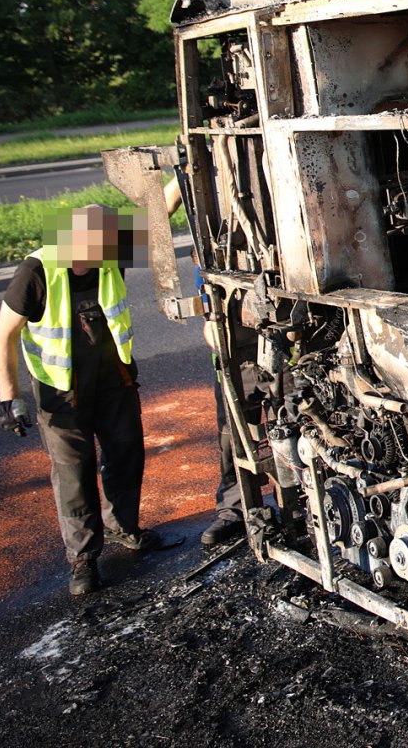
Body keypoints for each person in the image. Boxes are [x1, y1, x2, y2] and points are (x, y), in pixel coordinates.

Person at [0, 203, 165, 596]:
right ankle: (83, 558)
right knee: (73, 471)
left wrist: (179, 169)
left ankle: (124, 528)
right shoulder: (37, 270)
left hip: (113, 380)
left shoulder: (108, 257)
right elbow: (5, 335)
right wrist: (8, 398)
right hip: (61, 391)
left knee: (125, 454)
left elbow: (158, 215)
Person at [160, 178, 245, 547]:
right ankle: (234, 509)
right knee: (233, 432)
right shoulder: (205, 178)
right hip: (229, 343)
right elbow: (150, 218)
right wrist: (184, 173)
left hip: (285, 339)